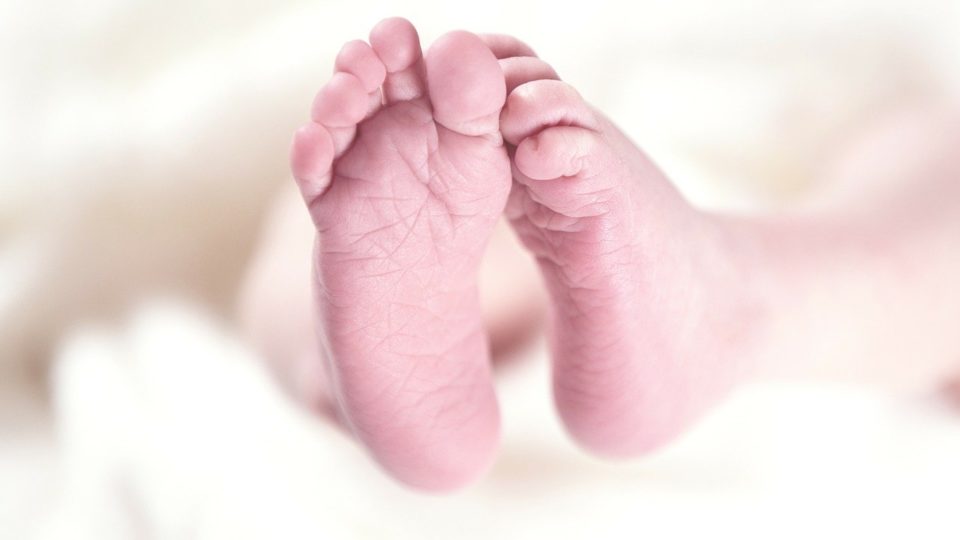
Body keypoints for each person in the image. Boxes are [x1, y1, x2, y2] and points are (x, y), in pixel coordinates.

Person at [239, 17, 960, 491]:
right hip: (594, 164)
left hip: (794, 175)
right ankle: (357, 356)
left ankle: (726, 297)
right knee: (367, 177)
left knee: (314, 215)